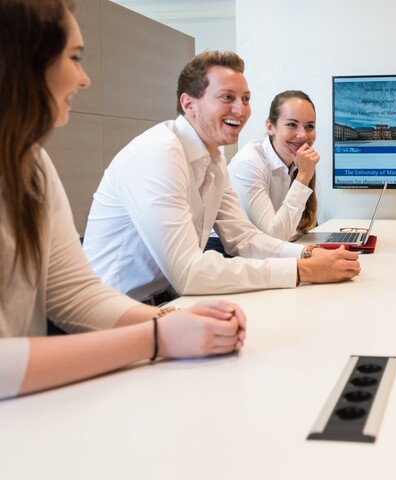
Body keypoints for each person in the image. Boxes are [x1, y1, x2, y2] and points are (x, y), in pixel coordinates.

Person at [0, 0, 246, 400]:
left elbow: (75, 294)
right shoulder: (158, 152)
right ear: (23, 57)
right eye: (74, 58)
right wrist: (158, 336)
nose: (84, 80)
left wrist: (174, 320)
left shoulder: (33, 164)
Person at [82, 51, 360, 303]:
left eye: (246, 99)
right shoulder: (159, 154)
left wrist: (307, 254)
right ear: (189, 105)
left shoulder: (214, 159)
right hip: (111, 311)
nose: (241, 110)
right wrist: (303, 269)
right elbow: (188, 272)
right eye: (227, 97)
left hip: (165, 299)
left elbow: (245, 239)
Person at [227, 90, 319, 242]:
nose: (303, 135)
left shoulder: (298, 162)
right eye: (291, 124)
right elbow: (272, 238)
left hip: (265, 252)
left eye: (309, 126)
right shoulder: (249, 163)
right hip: (224, 253)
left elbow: (298, 227)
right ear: (270, 127)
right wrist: (303, 177)